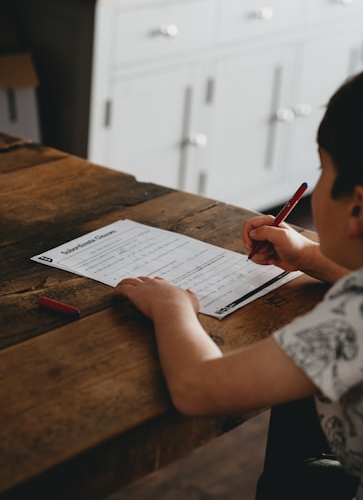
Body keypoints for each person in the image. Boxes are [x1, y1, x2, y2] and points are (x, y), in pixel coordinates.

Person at [112, 72, 363, 499]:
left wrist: (172, 306)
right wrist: (304, 256)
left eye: (322, 170)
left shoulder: (348, 327)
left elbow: (196, 387)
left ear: (357, 208)